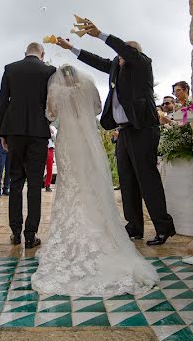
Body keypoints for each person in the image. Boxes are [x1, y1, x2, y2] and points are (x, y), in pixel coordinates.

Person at [31, 64, 158, 296]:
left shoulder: (56, 89)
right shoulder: (88, 84)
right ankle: (100, 229)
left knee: (69, 186)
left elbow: (50, 115)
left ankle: (70, 240)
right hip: (87, 141)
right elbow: (98, 108)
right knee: (90, 184)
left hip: (68, 140)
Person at [56, 21, 176, 246]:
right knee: (127, 179)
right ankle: (134, 226)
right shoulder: (116, 66)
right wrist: (70, 48)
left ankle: (163, 227)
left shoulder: (142, 64)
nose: (119, 59)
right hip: (124, 132)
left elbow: (124, 50)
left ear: (132, 54)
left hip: (143, 129)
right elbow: (97, 61)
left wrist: (99, 34)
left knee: (147, 179)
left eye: (122, 55)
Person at [0, 42, 57, 249]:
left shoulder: (10, 68)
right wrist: (48, 123)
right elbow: (52, 102)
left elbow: (2, 102)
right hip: (39, 132)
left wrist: (2, 133)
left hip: (14, 130)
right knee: (34, 184)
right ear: (42, 54)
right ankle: (31, 235)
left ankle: (15, 232)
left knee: (15, 181)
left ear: (25, 53)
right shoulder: (49, 71)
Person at [0, 118, 10, 196]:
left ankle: (6, 188)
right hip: (0, 145)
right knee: (0, 167)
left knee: (9, 169)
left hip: (10, 146)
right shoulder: (0, 120)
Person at [44, 124, 57, 192]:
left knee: (49, 168)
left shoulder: (53, 128)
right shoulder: (40, 126)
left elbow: (54, 136)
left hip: (50, 148)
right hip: (41, 148)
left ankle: (47, 185)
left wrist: (49, 128)